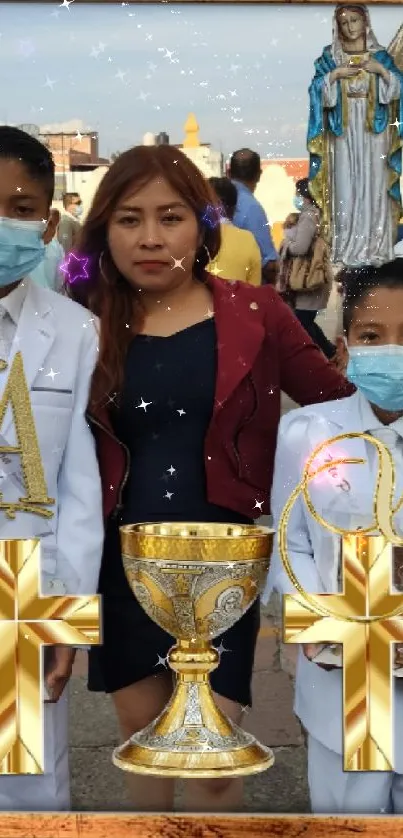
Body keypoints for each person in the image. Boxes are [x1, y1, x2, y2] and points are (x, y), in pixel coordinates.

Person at [67, 143, 354, 814]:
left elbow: (341, 409)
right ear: (104, 227)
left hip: (225, 569)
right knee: (141, 748)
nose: (149, 237)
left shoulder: (257, 315)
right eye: (129, 219)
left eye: (169, 217)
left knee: (213, 767)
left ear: (201, 223)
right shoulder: (82, 324)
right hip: (119, 565)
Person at [263, 259, 403, 813]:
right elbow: (288, 542)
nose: (392, 351)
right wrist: (313, 620)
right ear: (345, 345)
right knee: (351, 810)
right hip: (342, 679)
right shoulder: (308, 432)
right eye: (373, 336)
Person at [0, 126, 103, 810]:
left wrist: (66, 614)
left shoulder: (71, 330)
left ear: (46, 222)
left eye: (18, 205)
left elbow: (79, 484)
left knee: (25, 783)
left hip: (24, 587)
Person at [307, 5, 403, 268]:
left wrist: (380, 71)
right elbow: (316, 91)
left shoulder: (381, 57)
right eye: (344, 22)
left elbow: (397, 89)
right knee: (345, 187)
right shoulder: (329, 58)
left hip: (375, 133)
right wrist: (334, 75)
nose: (350, 27)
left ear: (365, 22)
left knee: (374, 185)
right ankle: (346, 247)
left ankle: (375, 247)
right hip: (342, 134)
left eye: (355, 20)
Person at [280, 178, 336, 361]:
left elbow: (300, 248)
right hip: (315, 273)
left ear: (305, 196)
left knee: (303, 321)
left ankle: (328, 354)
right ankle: (329, 352)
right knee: (305, 320)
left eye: (298, 193)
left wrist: (287, 243)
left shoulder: (308, 216)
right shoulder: (320, 214)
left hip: (309, 275)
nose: (296, 197)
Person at [229, 148, 278, 284]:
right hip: (244, 293)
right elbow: (269, 265)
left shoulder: (211, 199)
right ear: (258, 175)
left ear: (228, 173)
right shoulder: (252, 208)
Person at [207, 177, 261, 285]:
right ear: (234, 207)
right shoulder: (248, 239)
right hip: (238, 301)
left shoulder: (192, 238)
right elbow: (254, 290)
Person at [30, 208, 65, 291]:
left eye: (52, 224)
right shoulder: (23, 246)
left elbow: (60, 279)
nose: (48, 228)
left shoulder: (56, 247)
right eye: (46, 223)